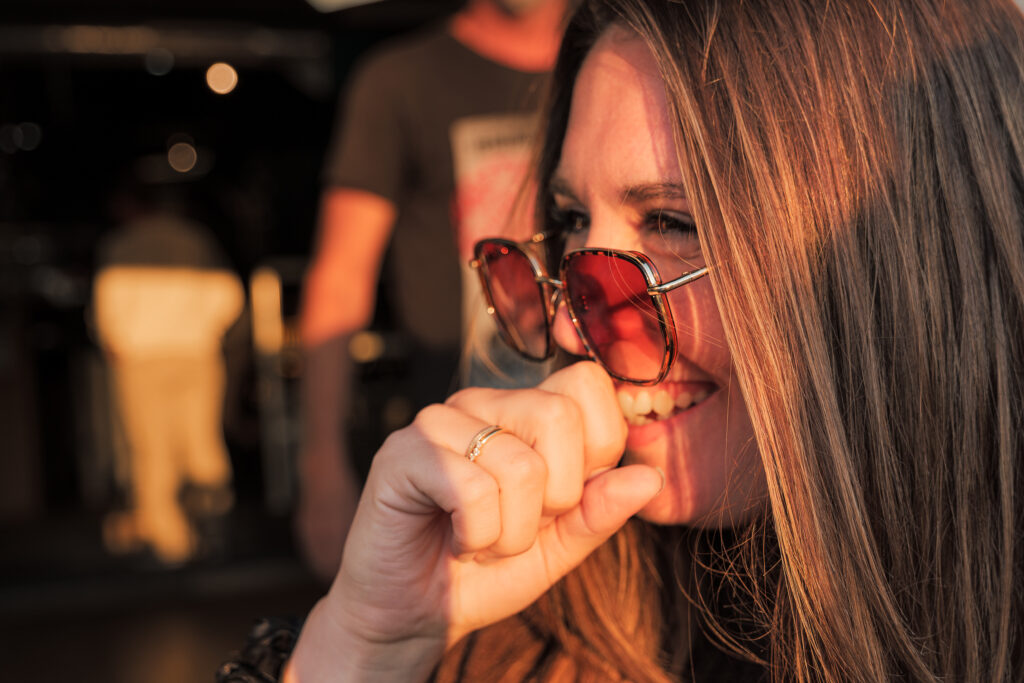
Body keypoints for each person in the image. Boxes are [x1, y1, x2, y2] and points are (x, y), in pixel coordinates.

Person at [224, 0, 1024, 679]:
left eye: (672, 222)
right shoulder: (522, 618)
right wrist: (361, 646)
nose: (572, 324)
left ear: (906, 255)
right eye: (572, 220)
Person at [297, 0, 571, 582]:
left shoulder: (618, 54)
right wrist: (321, 466)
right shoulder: (400, 79)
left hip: (610, 439)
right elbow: (341, 278)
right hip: (463, 468)